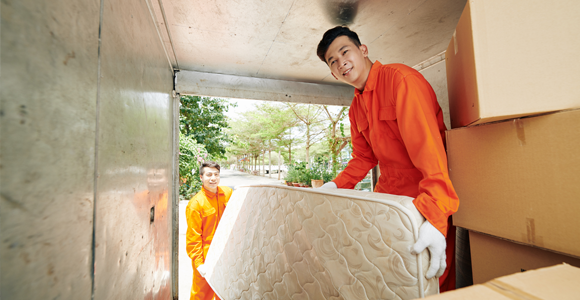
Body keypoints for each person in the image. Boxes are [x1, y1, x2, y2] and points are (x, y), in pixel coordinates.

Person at [316, 26, 459, 292]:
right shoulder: (356, 106)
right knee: (390, 278)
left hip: (424, 200)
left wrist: (436, 219)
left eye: (344, 51)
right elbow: (363, 157)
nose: (340, 62)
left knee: (430, 280)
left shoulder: (401, 81)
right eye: (332, 61)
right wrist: (334, 186)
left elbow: (431, 152)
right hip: (390, 201)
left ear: (363, 50)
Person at [185, 161, 233, 300]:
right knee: (202, 295)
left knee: (223, 292)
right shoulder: (196, 204)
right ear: (201, 177)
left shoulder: (228, 193)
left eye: (216, 174)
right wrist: (199, 264)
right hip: (205, 256)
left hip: (225, 253)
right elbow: (193, 238)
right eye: (209, 175)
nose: (213, 178)